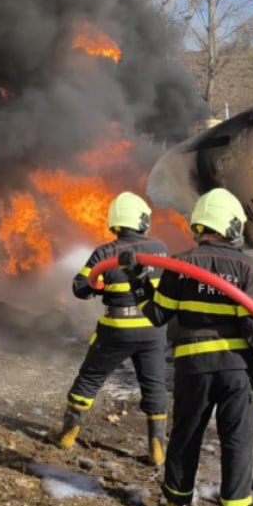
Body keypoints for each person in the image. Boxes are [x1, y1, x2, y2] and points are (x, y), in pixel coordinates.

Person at [128, 188, 253, 506]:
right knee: (236, 440)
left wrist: (138, 282)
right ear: (233, 226)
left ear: (199, 226)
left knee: (185, 435)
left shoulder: (178, 264)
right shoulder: (246, 267)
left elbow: (155, 315)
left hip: (192, 368)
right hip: (236, 370)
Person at [52, 191, 171, 466]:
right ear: (142, 221)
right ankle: (156, 449)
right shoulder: (161, 248)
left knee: (90, 379)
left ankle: (68, 435)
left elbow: (80, 288)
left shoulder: (105, 252)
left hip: (116, 327)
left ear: (115, 223)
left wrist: (100, 284)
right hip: (153, 328)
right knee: (154, 386)